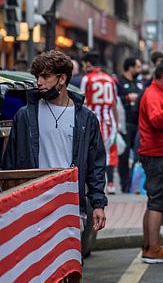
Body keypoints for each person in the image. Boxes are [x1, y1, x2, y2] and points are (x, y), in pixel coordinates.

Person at [3, 50, 108, 239]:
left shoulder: (86, 119)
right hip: (33, 203)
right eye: (37, 77)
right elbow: (11, 163)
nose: (39, 82)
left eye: (45, 76)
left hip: (70, 204)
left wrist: (98, 204)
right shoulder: (25, 116)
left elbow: (96, 166)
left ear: (62, 79)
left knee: (70, 264)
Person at [137, 57, 163, 264]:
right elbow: (156, 120)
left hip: (156, 152)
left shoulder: (159, 93)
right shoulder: (154, 95)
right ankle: (153, 248)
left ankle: (149, 245)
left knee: (154, 200)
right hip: (157, 153)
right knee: (158, 202)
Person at [80, 53, 121, 194]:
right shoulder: (110, 79)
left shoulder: (87, 79)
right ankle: (110, 184)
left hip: (92, 121)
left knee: (92, 152)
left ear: (87, 64)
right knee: (110, 152)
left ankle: (94, 184)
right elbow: (114, 103)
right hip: (109, 121)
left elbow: (82, 101)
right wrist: (117, 123)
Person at [117, 56, 144, 193]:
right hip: (125, 124)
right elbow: (115, 100)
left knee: (138, 155)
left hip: (138, 124)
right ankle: (125, 185)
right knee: (124, 155)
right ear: (130, 67)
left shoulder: (139, 83)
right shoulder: (119, 82)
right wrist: (127, 98)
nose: (140, 70)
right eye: (138, 67)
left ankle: (135, 183)